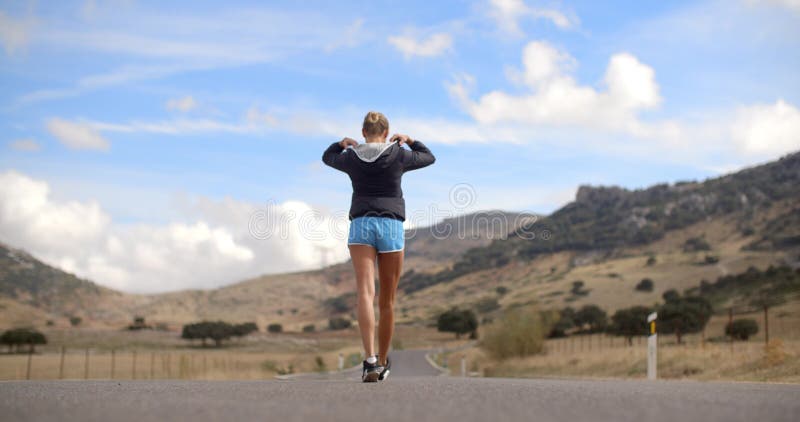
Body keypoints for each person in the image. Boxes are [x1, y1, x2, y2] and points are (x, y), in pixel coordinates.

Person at [322, 111, 435, 382]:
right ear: (387, 132)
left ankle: (369, 361)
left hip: (361, 224)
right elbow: (429, 157)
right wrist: (409, 140)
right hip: (391, 225)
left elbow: (327, 157)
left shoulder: (351, 156)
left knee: (365, 293)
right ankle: (383, 363)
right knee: (388, 300)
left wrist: (341, 144)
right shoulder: (398, 153)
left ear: (363, 133)